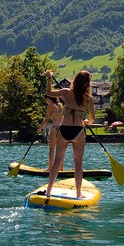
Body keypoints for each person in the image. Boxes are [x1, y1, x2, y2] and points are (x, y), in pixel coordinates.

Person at [44, 70, 95, 198]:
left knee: (57, 161)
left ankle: (48, 191)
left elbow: (49, 93)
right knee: (78, 163)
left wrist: (50, 78)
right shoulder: (89, 98)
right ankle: (78, 193)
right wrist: (86, 121)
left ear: (75, 80)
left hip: (64, 129)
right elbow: (92, 118)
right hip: (78, 130)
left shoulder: (66, 92)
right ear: (87, 83)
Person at [37, 94, 65, 172]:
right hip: (62, 128)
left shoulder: (50, 106)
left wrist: (40, 128)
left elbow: (46, 119)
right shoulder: (60, 105)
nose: (46, 101)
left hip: (55, 128)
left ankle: (50, 168)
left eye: (46, 99)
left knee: (52, 149)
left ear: (49, 98)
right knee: (60, 150)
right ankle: (61, 169)